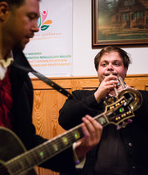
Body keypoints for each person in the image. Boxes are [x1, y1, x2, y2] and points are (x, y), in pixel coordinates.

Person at [0, 0, 103, 174]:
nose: (36, 27)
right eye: (31, 17)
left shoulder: (21, 74)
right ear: (3, 11)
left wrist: (75, 151)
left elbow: (26, 143)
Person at [59, 46, 148, 175]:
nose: (110, 67)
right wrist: (96, 97)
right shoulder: (79, 96)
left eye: (116, 64)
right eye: (104, 64)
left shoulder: (142, 97)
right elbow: (64, 120)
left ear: (125, 70)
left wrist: (132, 99)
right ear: (98, 71)